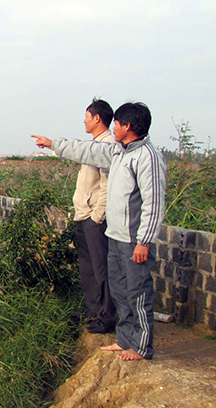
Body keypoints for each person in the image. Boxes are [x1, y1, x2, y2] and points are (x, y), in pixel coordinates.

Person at [32, 102, 166, 361]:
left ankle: (141, 347)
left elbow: (153, 202)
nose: (113, 127)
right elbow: (86, 150)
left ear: (128, 126)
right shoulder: (119, 152)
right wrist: (53, 144)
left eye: (116, 123)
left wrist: (144, 241)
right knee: (119, 290)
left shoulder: (147, 157)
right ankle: (125, 340)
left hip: (132, 240)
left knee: (137, 292)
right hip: (115, 235)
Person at [76, 98, 116, 334]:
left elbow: (107, 186)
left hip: (94, 218)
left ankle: (106, 316)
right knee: (88, 268)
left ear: (97, 118)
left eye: (87, 116)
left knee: (101, 268)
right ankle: (95, 312)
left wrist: (97, 216)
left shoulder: (106, 146)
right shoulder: (95, 145)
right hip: (84, 216)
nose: (84, 120)